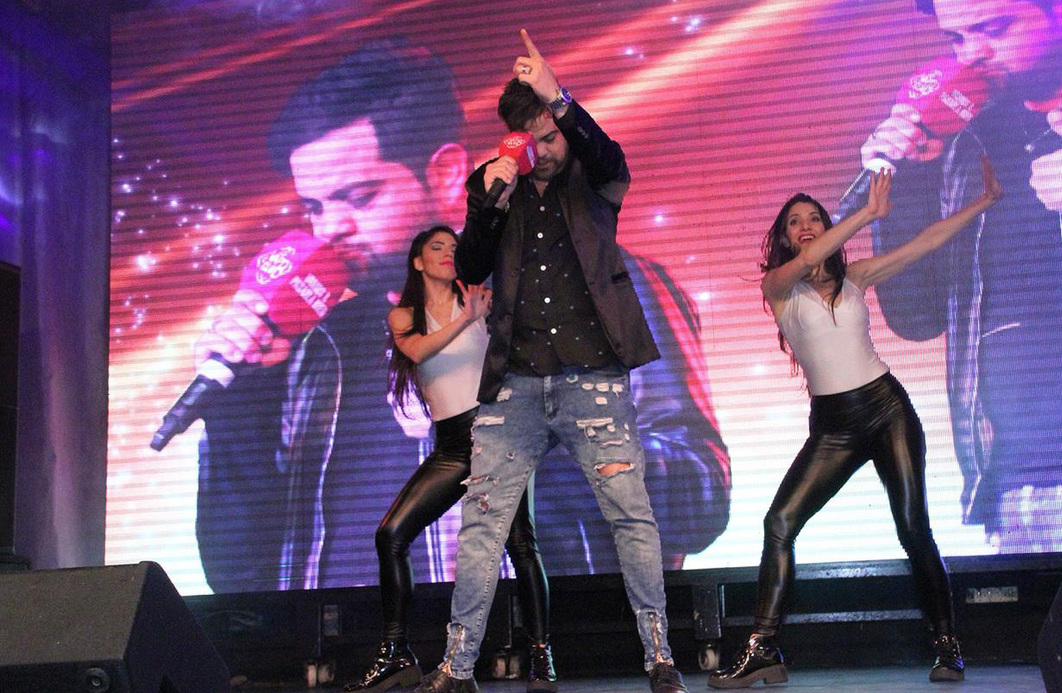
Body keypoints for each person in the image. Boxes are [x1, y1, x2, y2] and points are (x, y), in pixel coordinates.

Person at [193, 39, 731, 594]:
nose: (329, 228)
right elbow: (238, 573)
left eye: (359, 197)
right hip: (354, 645)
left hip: (538, 638)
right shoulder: (312, 342)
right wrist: (234, 415)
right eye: (314, 206)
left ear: (447, 172)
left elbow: (701, 496)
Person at [414, 30, 688, 693]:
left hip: (593, 376)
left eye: (551, 135)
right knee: (482, 524)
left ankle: (660, 657)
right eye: (529, 138)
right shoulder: (495, 187)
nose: (543, 149)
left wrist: (558, 95)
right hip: (515, 382)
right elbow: (471, 264)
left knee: (630, 514)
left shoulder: (594, 184)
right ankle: (456, 667)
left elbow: (608, 154)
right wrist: (488, 204)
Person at [708, 158, 1003, 689]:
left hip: (887, 410)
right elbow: (811, 259)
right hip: (834, 428)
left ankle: (946, 645)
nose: (806, 226)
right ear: (784, 237)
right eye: (795, 221)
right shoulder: (779, 287)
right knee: (779, 523)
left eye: (814, 218)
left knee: (913, 527)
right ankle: (763, 650)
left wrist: (982, 203)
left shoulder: (856, 278)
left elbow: (925, 244)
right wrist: (866, 214)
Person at [859, 0, 1062, 553]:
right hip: (1018, 492)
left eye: (993, 28)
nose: (973, 54)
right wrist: (904, 184)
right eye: (957, 38)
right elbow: (917, 317)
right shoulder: (968, 142)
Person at [345, 227, 556, 692]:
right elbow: (418, 349)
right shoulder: (405, 315)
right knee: (391, 534)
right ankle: (396, 653)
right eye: (436, 248)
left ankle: (541, 656)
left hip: (499, 433)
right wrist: (466, 320)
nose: (447, 254)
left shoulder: (482, 301)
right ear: (418, 261)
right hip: (452, 446)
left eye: (454, 248)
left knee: (520, 543)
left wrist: (482, 314)